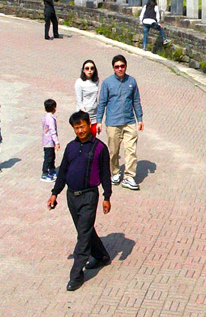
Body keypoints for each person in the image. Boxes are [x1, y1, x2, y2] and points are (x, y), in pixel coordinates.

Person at [48, 111, 113, 291]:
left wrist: (107, 196)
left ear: (89, 124)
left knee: (83, 235)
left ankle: (76, 275)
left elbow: (105, 174)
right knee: (84, 229)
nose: (80, 131)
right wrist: (55, 193)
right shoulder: (70, 147)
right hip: (71, 197)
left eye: (82, 127)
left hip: (89, 196)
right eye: (76, 128)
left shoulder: (100, 148)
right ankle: (101, 256)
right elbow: (63, 172)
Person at [94, 54, 144, 191]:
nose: (120, 69)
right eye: (117, 67)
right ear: (113, 68)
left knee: (131, 150)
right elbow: (102, 103)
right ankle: (115, 173)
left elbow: (136, 101)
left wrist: (140, 119)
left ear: (126, 66)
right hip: (113, 122)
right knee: (113, 151)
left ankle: (129, 177)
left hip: (129, 121)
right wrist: (99, 121)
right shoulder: (107, 83)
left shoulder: (132, 81)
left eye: (122, 66)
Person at [74, 60, 101, 132]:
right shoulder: (79, 82)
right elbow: (79, 101)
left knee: (93, 137)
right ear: (83, 70)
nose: (89, 70)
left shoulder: (96, 81)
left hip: (94, 115)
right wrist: (85, 115)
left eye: (92, 68)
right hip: (83, 115)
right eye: (87, 68)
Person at [41, 98, 60, 182]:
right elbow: (53, 131)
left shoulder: (45, 117)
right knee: (48, 158)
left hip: (46, 141)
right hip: (49, 142)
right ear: (54, 108)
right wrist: (57, 142)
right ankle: (45, 174)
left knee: (52, 156)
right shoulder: (51, 119)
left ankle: (52, 170)